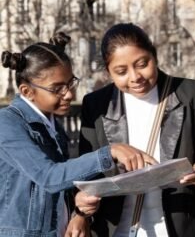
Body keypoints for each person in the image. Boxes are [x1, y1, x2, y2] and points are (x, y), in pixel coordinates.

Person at [70, 23, 195, 237]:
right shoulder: (96, 104)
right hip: (115, 229)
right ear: (108, 71)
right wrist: (81, 208)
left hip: (180, 226)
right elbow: (86, 174)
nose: (135, 77)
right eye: (121, 71)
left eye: (142, 64)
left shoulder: (189, 93)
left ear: (154, 55)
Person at [0, 32, 157, 237]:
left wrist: (80, 211)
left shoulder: (52, 126)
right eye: (57, 88)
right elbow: (49, 177)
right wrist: (109, 152)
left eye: (71, 83)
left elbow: (64, 184)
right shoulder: (7, 123)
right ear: (27, 91)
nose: (69, 94)